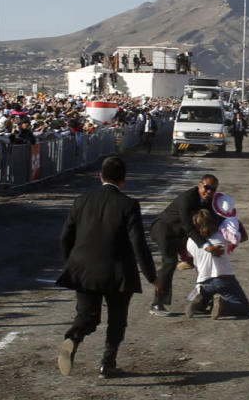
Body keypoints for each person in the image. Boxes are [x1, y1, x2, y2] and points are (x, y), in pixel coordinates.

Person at [56, 155, 159, 379]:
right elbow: (139, 244)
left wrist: (71, 265)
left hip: (84, 269)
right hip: (118, 273)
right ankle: (107, 364)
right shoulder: (128, 204)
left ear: (100, 176)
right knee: (117, 320)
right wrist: (152, 276)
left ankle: (73, 337)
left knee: (87, 316)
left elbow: (65, 237)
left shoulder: (81, 200)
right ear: (124, 179)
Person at [149, 175, 224, 316]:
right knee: (169, 262)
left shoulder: (209, 201)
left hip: (181, 235)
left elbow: (216, 218)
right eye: (207, 188)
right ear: (199, 185)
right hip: (164, 230)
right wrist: (206, 246)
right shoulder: (187, 198)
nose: (209, 192)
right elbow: (188, 226)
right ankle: (157, 304)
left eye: (213, 190)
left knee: (201, 262)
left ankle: (202, 301)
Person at [184, 208, 249, 319]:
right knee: (243, 307)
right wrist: (233, 221)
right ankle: (223, 306)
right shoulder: (221, 236)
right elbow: (243, 237)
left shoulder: (191, 242)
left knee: (206, 293)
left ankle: (200, 304)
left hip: (203, 282)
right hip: (223, 278)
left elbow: (192, 258)